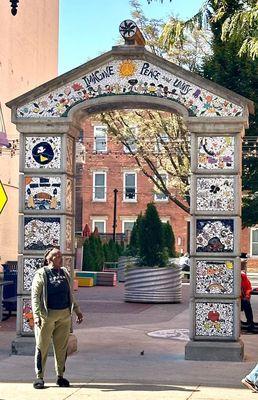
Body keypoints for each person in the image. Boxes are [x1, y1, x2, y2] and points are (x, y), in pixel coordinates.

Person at [31, 247, 83, 389]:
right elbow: (35, 296)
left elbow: (70, 293)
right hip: (46, 317)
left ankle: (60, 376)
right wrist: (36, 315)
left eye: (61, 255)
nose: (60, 258)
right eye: (57, 256)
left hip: (64, 316)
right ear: (49, 258)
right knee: (42, 347)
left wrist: (77, 311)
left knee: (61, 348)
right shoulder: (41, 274)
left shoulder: (65, 272)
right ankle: (39, 377)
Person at [240, 254, 255, 332]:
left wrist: (247, 295)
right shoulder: (241, 275)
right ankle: (250, 324)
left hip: (241, 299)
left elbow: (248, 288)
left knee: (246, 303)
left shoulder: (242, 276)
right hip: (237, 299)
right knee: (246, 303)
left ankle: (250, 323)